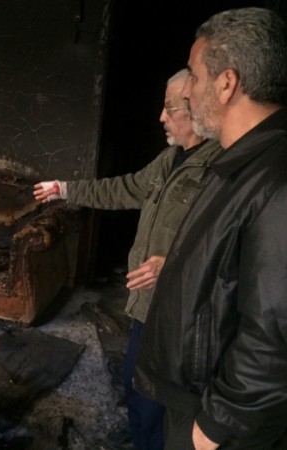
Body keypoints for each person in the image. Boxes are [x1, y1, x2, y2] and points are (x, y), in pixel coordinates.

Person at [33, 69, 223, 450]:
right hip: (146, 304)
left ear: (196, 110)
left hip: (178, 313)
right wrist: (65, 189)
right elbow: (125, 188)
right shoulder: (170, 159)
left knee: (156, 400)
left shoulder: (219, 169)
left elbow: (224, 246)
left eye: (170, 108)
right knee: (136, 386)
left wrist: (172, 265)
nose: (161, 117)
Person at [134, 7, 287, 449]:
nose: (188, 91)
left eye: (196, 77)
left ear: (226, 84)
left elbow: (275, 327)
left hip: (217, 419)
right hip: (197, 396)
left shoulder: (275, 180)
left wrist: (219, 423)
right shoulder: (239, 160)